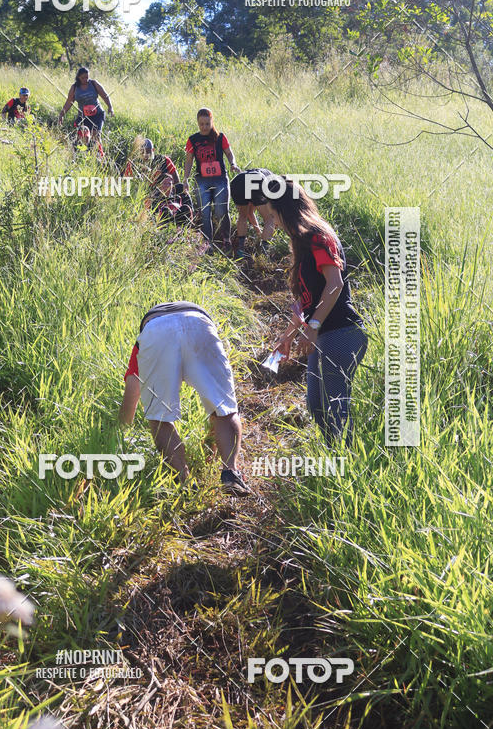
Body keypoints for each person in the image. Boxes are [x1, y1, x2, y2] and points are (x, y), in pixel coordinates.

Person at [257, 176, 368, 445]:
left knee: (335, 409)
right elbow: (305, 303)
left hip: (341, 332)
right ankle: (334, 456)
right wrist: (287, 336)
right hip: (323, 335)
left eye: (274, 215)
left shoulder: (319, 237)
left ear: (286, 210)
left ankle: (346, 461)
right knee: (316, 406)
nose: (275, 223)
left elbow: (335, 284)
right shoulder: (302, 244)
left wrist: (313, 326)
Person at [118, 301, 251, 496]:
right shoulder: (199, 321)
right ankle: (231, 473)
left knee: (160, 417)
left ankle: (185, 482)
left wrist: (121, 430)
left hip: (157, 330)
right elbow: (218, 409)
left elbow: (133, 385)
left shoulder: (145, 336)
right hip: (199, 324)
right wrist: (211, 445)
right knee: (224, 408)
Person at [183, 108, 239, 252]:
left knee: (221, 212)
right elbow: (188, 160)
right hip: (202, 181)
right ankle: (208, 244)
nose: (204, 127)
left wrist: (233, 163)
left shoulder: (220, 137)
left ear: (212, 122)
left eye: (207, 124)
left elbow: (229, 153)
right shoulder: (193, 140)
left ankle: (226, 241)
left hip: (220, 180)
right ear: (198, 123)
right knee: (205, 213)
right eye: (201, 124)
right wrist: (185, 178)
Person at [58, 67, 114, 152]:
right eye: (83, 78)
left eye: (87, 77)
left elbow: (105, 95)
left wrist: (110, 107)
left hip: (97, 114)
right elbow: (69, 102)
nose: (85, 79)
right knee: (83, 136)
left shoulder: (94, 84)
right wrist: (61, 114)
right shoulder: (75, 88)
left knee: (96, 134)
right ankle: (77, 153)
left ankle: (100, 155)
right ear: (78, 77)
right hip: (84, 116)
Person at [230, 169, 277, 260]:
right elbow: (275, 215)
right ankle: (264, 254)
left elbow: (250, 213)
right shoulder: (274, 183)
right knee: (269, 218)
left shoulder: (263, 175)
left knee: (242, 215)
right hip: (257, 179)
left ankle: (240, 251)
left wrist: (259, 232)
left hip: (237, 181)